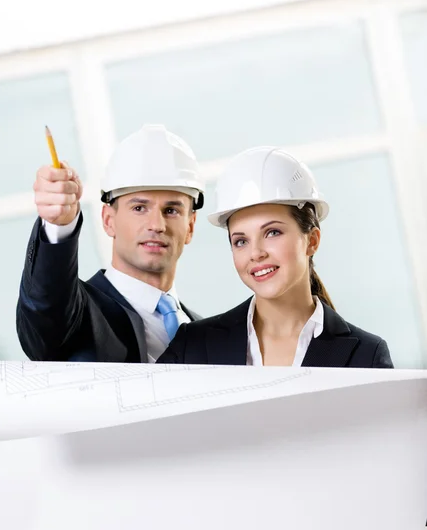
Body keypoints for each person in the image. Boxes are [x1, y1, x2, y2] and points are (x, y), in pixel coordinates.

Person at [158, 146, 393, 368]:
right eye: (241, 241)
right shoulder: (193, 345)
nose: (256, 253)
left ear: (311, 241)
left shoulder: (367, 355)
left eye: (272, 232)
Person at [17, 124, 204, 363]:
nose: (157, 224)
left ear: (190, 226)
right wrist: (59, 225)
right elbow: (44, 310)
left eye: (171, 210)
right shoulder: (77, 317)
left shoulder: (205, 332)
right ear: (108, 220)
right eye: (139, 208)